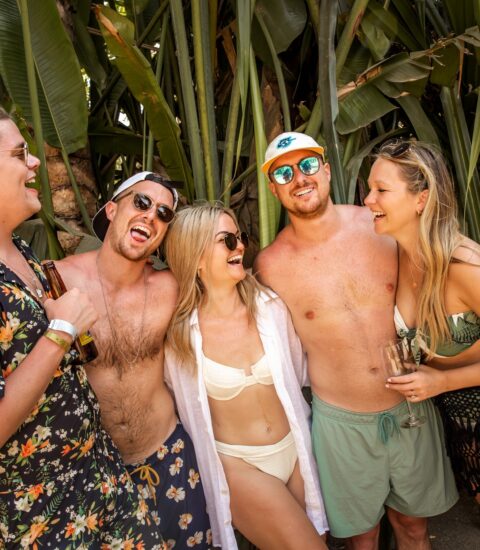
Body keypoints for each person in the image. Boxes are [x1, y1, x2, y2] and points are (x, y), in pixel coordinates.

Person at [254, 131, 458, 549]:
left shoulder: (379, 225)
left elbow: (437, 266)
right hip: (341, 423)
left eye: (308, 165)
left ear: (327, 171)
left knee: (413, 528)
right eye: (284, 173)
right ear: (273, 188)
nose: (300, 178)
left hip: (410, 407)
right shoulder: (270, 265)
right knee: (362, 539)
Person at [0, 112, 165, 548]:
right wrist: (60, 331)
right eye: (18, 154)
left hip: (102, 478)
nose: (35, 162)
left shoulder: (20, 250)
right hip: (43, 513)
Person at [55, 171, 212, 549]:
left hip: (169, 457)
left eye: (163, 213)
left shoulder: (170, 288)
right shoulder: (57, 281)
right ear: (111, 210)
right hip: (93, 471)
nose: (150, 215)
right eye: (141, 202)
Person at [163, 203, 328, 549]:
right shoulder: (180, 336)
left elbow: (300, 372)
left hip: (296, 448)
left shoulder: (271, 306)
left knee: (319, 537)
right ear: (196, 257)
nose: (239, 246)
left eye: (240, 237)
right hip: (240, 465)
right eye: (226, 240)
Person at [365, 139, 480, 503]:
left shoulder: (464, 267)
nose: (368, 200)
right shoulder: (396, 258)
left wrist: (443, 381)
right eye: (369, 189)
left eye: (381, 190)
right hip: (455, 425)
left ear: (422, 199)